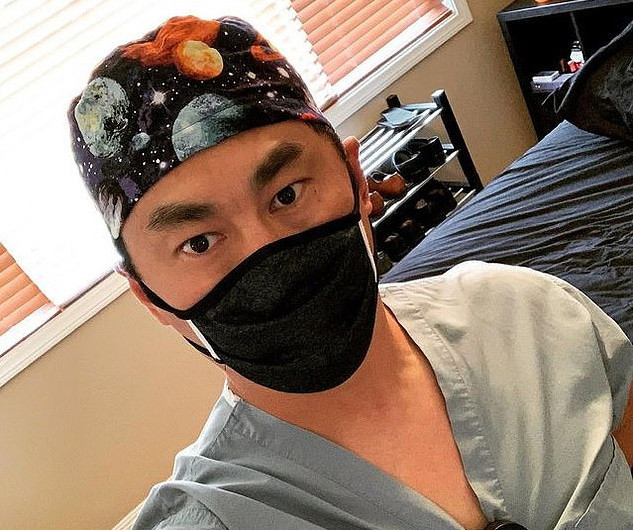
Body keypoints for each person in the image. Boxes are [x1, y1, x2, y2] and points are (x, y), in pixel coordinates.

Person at [68, 15, 633, 530]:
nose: (270, 255)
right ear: (149, 298)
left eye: (287, 194)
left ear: (356, 179)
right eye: (199, 242)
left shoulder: (531, 313)